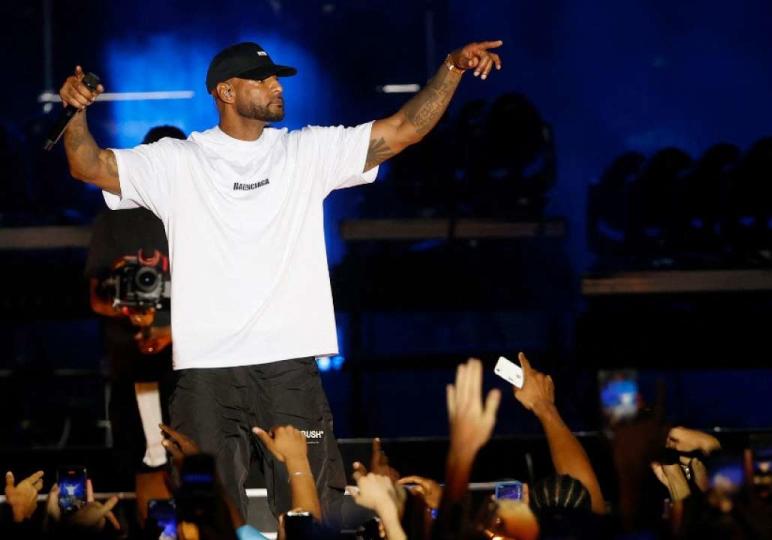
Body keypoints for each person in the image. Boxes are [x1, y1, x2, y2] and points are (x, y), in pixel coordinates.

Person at [59, 39, 504, 525]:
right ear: (225, 91)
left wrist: (452, 68)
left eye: (276, 78)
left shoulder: (306, 150)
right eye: (262, 78)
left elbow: (403, 131)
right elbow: (88, 165)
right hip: (206, 370)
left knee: (312, 511)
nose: (276, 85)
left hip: (288, 367)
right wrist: (75, 113)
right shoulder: (177, 160)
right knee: (204, 514)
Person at [85, 126, 183, 483]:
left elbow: (224, 293)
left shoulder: (196, 213)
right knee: (138, 469)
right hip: (129, 362)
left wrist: (171, 331)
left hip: (190, 366)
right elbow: (96, 296)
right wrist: (130, 312)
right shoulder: (113, 218)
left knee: (194, 469)